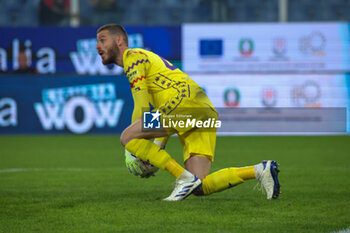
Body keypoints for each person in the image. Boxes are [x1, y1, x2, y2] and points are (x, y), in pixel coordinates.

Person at [96, 24, 281, 201]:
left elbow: (141, 107)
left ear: (119, 40)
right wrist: (155, 148)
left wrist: (133, 147)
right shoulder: (145, 62)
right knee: (200, 185)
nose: (98, 46)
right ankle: (260, 170)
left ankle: (183, 179)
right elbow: (164, 116)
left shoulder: (132, 57)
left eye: (102, 40)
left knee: (126, 136)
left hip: (185, 103)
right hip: (202, 109)